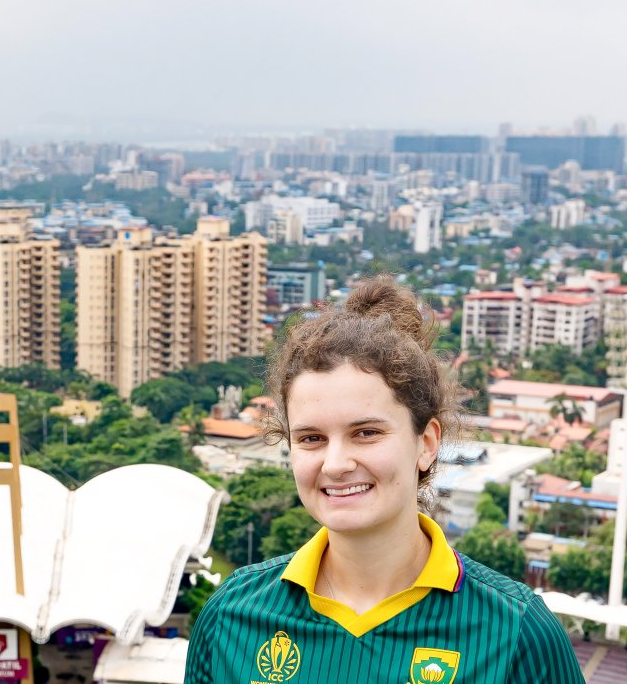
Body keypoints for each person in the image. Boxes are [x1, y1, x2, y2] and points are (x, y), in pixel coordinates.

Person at [186, 277, 583, 684]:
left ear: (426, 443)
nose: (336, 463)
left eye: (366, 433)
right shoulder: (231, 616)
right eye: (311, 438)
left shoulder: (515, 632)